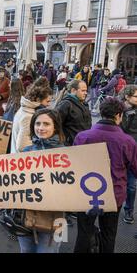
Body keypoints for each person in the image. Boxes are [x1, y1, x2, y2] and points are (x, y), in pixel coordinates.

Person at [73, 97, 137, 253]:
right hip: (113, 195)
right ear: (119, 115)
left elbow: (73, 165)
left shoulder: (83, 137)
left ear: (101, 113)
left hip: (85, 193)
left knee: (83, 233)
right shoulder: (127, 141)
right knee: (109, 234)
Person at [18, 109, 66, 253]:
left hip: (54, 220)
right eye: (37, 123)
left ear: (55, 127)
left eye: (46, 124)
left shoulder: (67, 155)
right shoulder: (26, 152)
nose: (41, 128)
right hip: (26, 217)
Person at [10, 85, 53, 153]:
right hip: (22, 160)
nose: (49, 104)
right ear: (38, 100)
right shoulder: (29, 116)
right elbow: (22, 146)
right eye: (47, 101)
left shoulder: (25, 108)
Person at [119, 85, 137, 225]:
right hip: (119, 152)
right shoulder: (118, 110)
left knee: (131, 184)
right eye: (136, 96)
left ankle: (129, 209)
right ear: (127, 96)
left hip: (134, 152)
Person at [55, 80, 92, 146]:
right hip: (71, 145)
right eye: (83, 90)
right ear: (73, 90)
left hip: (83, 143)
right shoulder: (65, 104)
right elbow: (55, 124)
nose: (86, 93)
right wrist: (64, 141)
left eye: (86, 91)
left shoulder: (84, 104)